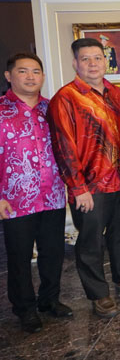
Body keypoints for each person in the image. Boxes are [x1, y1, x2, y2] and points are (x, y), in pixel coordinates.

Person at [47, 38, 120, 319]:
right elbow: (63, 147)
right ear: (75, 63)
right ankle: (98, 294)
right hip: (89, 187)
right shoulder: (65, 98)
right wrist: (78, 188)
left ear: (106, 61)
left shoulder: (116, 94)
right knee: (91, 242)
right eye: (86, 59)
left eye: (98, 58)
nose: (92, 64)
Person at [0, 53, 71, 333]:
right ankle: (25, 308)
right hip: (15, 200)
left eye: (36, 71)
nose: (30, 77)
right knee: (18, 258)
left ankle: (49, 300)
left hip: (53, 194)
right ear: (9, 76)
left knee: (53, 253)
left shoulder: (51, 109)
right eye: (23, 71)